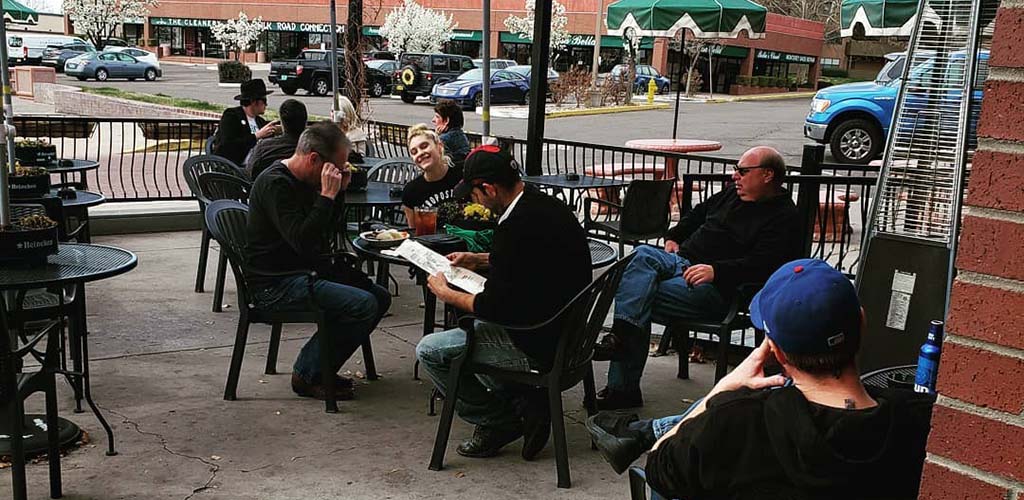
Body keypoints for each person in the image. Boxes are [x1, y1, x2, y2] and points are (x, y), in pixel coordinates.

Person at [585, 259, 936, 500]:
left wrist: (719, 392)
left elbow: (660, 470)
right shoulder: (923, 426)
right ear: (861, 322)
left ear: (775, 351)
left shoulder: (734, 421)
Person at [415, 145, 591, 460]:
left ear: (490, 189)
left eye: (474, 194)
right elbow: (531, 262)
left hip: (539, 344)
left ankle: (499, 421)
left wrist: (447, 293)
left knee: (432, 350)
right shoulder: (546, 206)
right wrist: (478, 259)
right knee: (473, 327)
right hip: (570, 334)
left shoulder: (513, 227)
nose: (474, 201)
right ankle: (526, 400)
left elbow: (496, 307)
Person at [594, 146, 802, 410]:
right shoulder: (732, 195)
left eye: (742, 171)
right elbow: (698, 214)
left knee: (634, 294)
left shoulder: (784, 217)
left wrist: (717, 271)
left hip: (718, 288)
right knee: (643, 254)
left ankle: (622, 376)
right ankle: (623, 344)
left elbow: (765, 265)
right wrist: (674, 237)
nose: (734, 176)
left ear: (767, 175)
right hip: (681, 262)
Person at [245, 121, 392, 401]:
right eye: (336, 166)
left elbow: (324, 236)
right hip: (276, 284)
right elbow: (302, 240)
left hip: (304, 271)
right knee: (363, 304)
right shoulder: (276, 184)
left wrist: (336, 196)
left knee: (379, 296)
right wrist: (326, 196)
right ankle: (308, 373)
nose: (338, 171)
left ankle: (322, 365)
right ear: (314, 159)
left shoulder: (305, 181)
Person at [401, 124, 462, 223]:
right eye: (414, 152)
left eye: (424, 146)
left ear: (439, 146)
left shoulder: (462, 173)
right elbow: (413, 232)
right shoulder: (411, 192)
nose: (420, 153)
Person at [213, 78, 279, 167]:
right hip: (234, 165)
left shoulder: (260, 121)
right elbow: (228, 145)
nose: (266, 105)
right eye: (264, 100)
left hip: (258, 164)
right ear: (253, 101)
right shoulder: (232, 116)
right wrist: (257, 136)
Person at [244, 98, 308, 180]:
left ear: (282, 123)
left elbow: (249, 174)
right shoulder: (311, 152)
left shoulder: (263, 148)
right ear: (305, 122)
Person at [432, 99, 471, 164]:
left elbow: (440, 163)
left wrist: (437, 137)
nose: (433, 120)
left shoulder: (442, 139)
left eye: (437, 117)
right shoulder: (461, 135)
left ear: (446, 121)